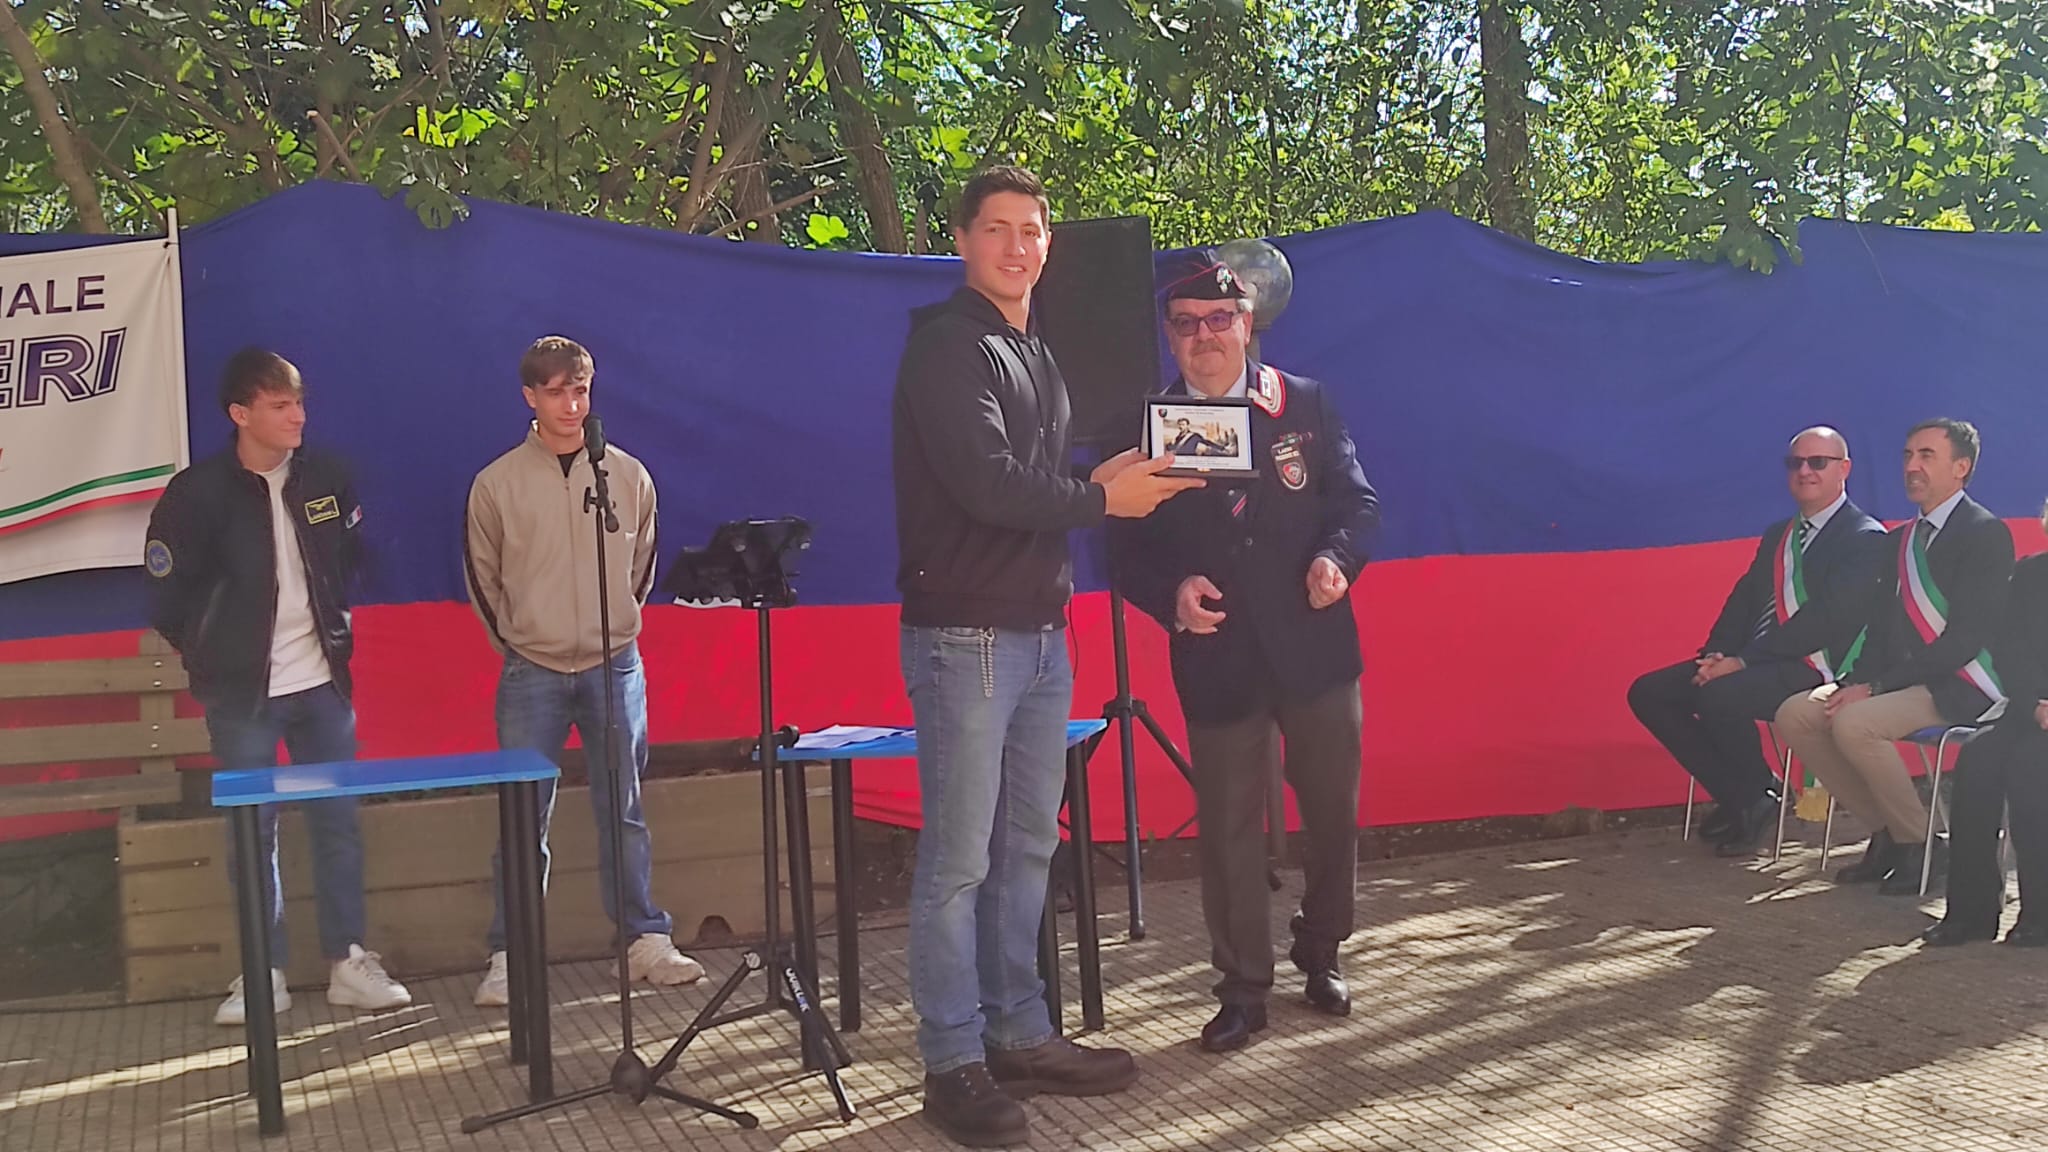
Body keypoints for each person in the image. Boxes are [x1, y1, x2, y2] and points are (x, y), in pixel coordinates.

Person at [891, 165, 1200, 1147]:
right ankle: (951, 1062)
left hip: (1038, 634)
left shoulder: (1033, 350)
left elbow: (1030, 481)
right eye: (996, 228)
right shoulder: (948, 347)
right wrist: (1101, 499)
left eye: (1031, 230)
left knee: (1027, 846)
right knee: (957, 862)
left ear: (1048, 244)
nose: (1016, 246)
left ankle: (1017, 1033)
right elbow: (986, 486)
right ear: (962, 239)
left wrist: (1100, 477)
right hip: (966, 636)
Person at [1111, 252, 1379, 1054]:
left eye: (1219, 320)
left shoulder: (1305, 403)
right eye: (1187, 324)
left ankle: (1322, 950)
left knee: (1331, 813)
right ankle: (1241, 989)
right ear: (1169, 335)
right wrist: (1171, 594)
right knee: (1228, 830)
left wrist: (1337, 560)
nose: (1205, 336)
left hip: (1313, 646)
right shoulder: (1147, 428)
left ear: (1247, 323)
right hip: (1217, 653)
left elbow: (1357, 505)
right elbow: (1121, 549)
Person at [143, 347, 412, 1026]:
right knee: (251, 830)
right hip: (244, 698)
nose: (297, 417)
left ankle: (349, 961)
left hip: (322, 687)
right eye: (280, 405)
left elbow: (349, 561)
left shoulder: (326, 477)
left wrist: (333, 636)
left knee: (336, 823)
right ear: (240, 414)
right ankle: (263, 971)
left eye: (299, 403)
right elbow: (167, 597)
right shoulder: (196, 494)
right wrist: (216, 661)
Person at [463, 335, 702, 1007]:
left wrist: (616, 626)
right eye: (556, 393)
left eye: (580, 391)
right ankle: (513, 952)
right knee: (522, 815)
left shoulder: (625, 474)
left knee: (623, 808)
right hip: (532, 669)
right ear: (530, 397)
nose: (571, 405)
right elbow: (483, 577)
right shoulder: (497, 483)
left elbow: (641, 565)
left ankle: (642, 937)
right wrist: (521, 640)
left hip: (614, 664)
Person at [1777, 419, 2015, 894]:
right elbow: (1882, 628)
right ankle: (1888, 832)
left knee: (1855, 723)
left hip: (1963, 684)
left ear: (1961, 467)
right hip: (1907, 680)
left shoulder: (1985, 533)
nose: (1911, 466)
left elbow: (1965, 639)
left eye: (1927, 456)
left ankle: (1923, 845)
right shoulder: (1900, 540)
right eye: (1908, 455)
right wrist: (1855, 683)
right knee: (1798, 714)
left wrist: (1878, 688)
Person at [1627, 428, 1888, 857]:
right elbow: (1746, 598)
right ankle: (1747, 794)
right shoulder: (1780, 534)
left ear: (1844, 469)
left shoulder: (1864, 538)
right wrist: (1717, 653)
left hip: (1815, 666)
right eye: (1795, 463)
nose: (1805, 471)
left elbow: (1826, 621)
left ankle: (1751, 799)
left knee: (1719, 695)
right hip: (1759, 660)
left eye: (1818, 462)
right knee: (1649, 693)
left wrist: (1743, 662)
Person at [1922, 499, 2048, 947]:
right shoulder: (2029, 574)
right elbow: (2009, 650)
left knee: (2031, 766)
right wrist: (2033, 704)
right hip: (2031, 708)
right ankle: (1970, 914)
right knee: (1978, 758)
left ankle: (2040, 914)